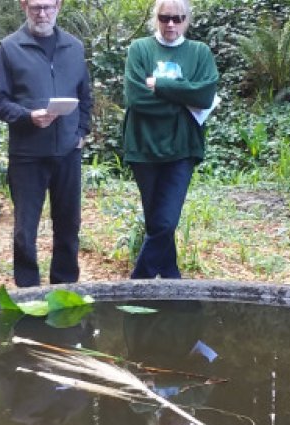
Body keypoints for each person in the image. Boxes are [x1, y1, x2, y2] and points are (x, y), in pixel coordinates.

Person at [0, 0, 93, 288]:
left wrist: (81, 132)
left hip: (68, 152)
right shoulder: (9, 48)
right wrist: (26, 116)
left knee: (69, 225)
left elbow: (86, 97)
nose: (42, 14)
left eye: (47, 7)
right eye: (35, 7)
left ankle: (65, 285)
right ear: (24, 6)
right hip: (27, 155)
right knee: (25, 229)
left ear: (59, 6)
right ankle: (28, 290)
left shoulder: (74, 47)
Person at [122, 0, 218, 279]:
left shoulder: (199, 52)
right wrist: (183, 99)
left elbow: (205, 96)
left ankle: (138, 283)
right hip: (143, 146)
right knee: (156, 222)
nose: (171, 24)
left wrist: (160, 85)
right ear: (156, 19)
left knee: (165, 221)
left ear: (187, 19)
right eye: (165, 18)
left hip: (182, 148)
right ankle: (171, 279)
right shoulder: (140, 49)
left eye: (177, 18)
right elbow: (137, 99)